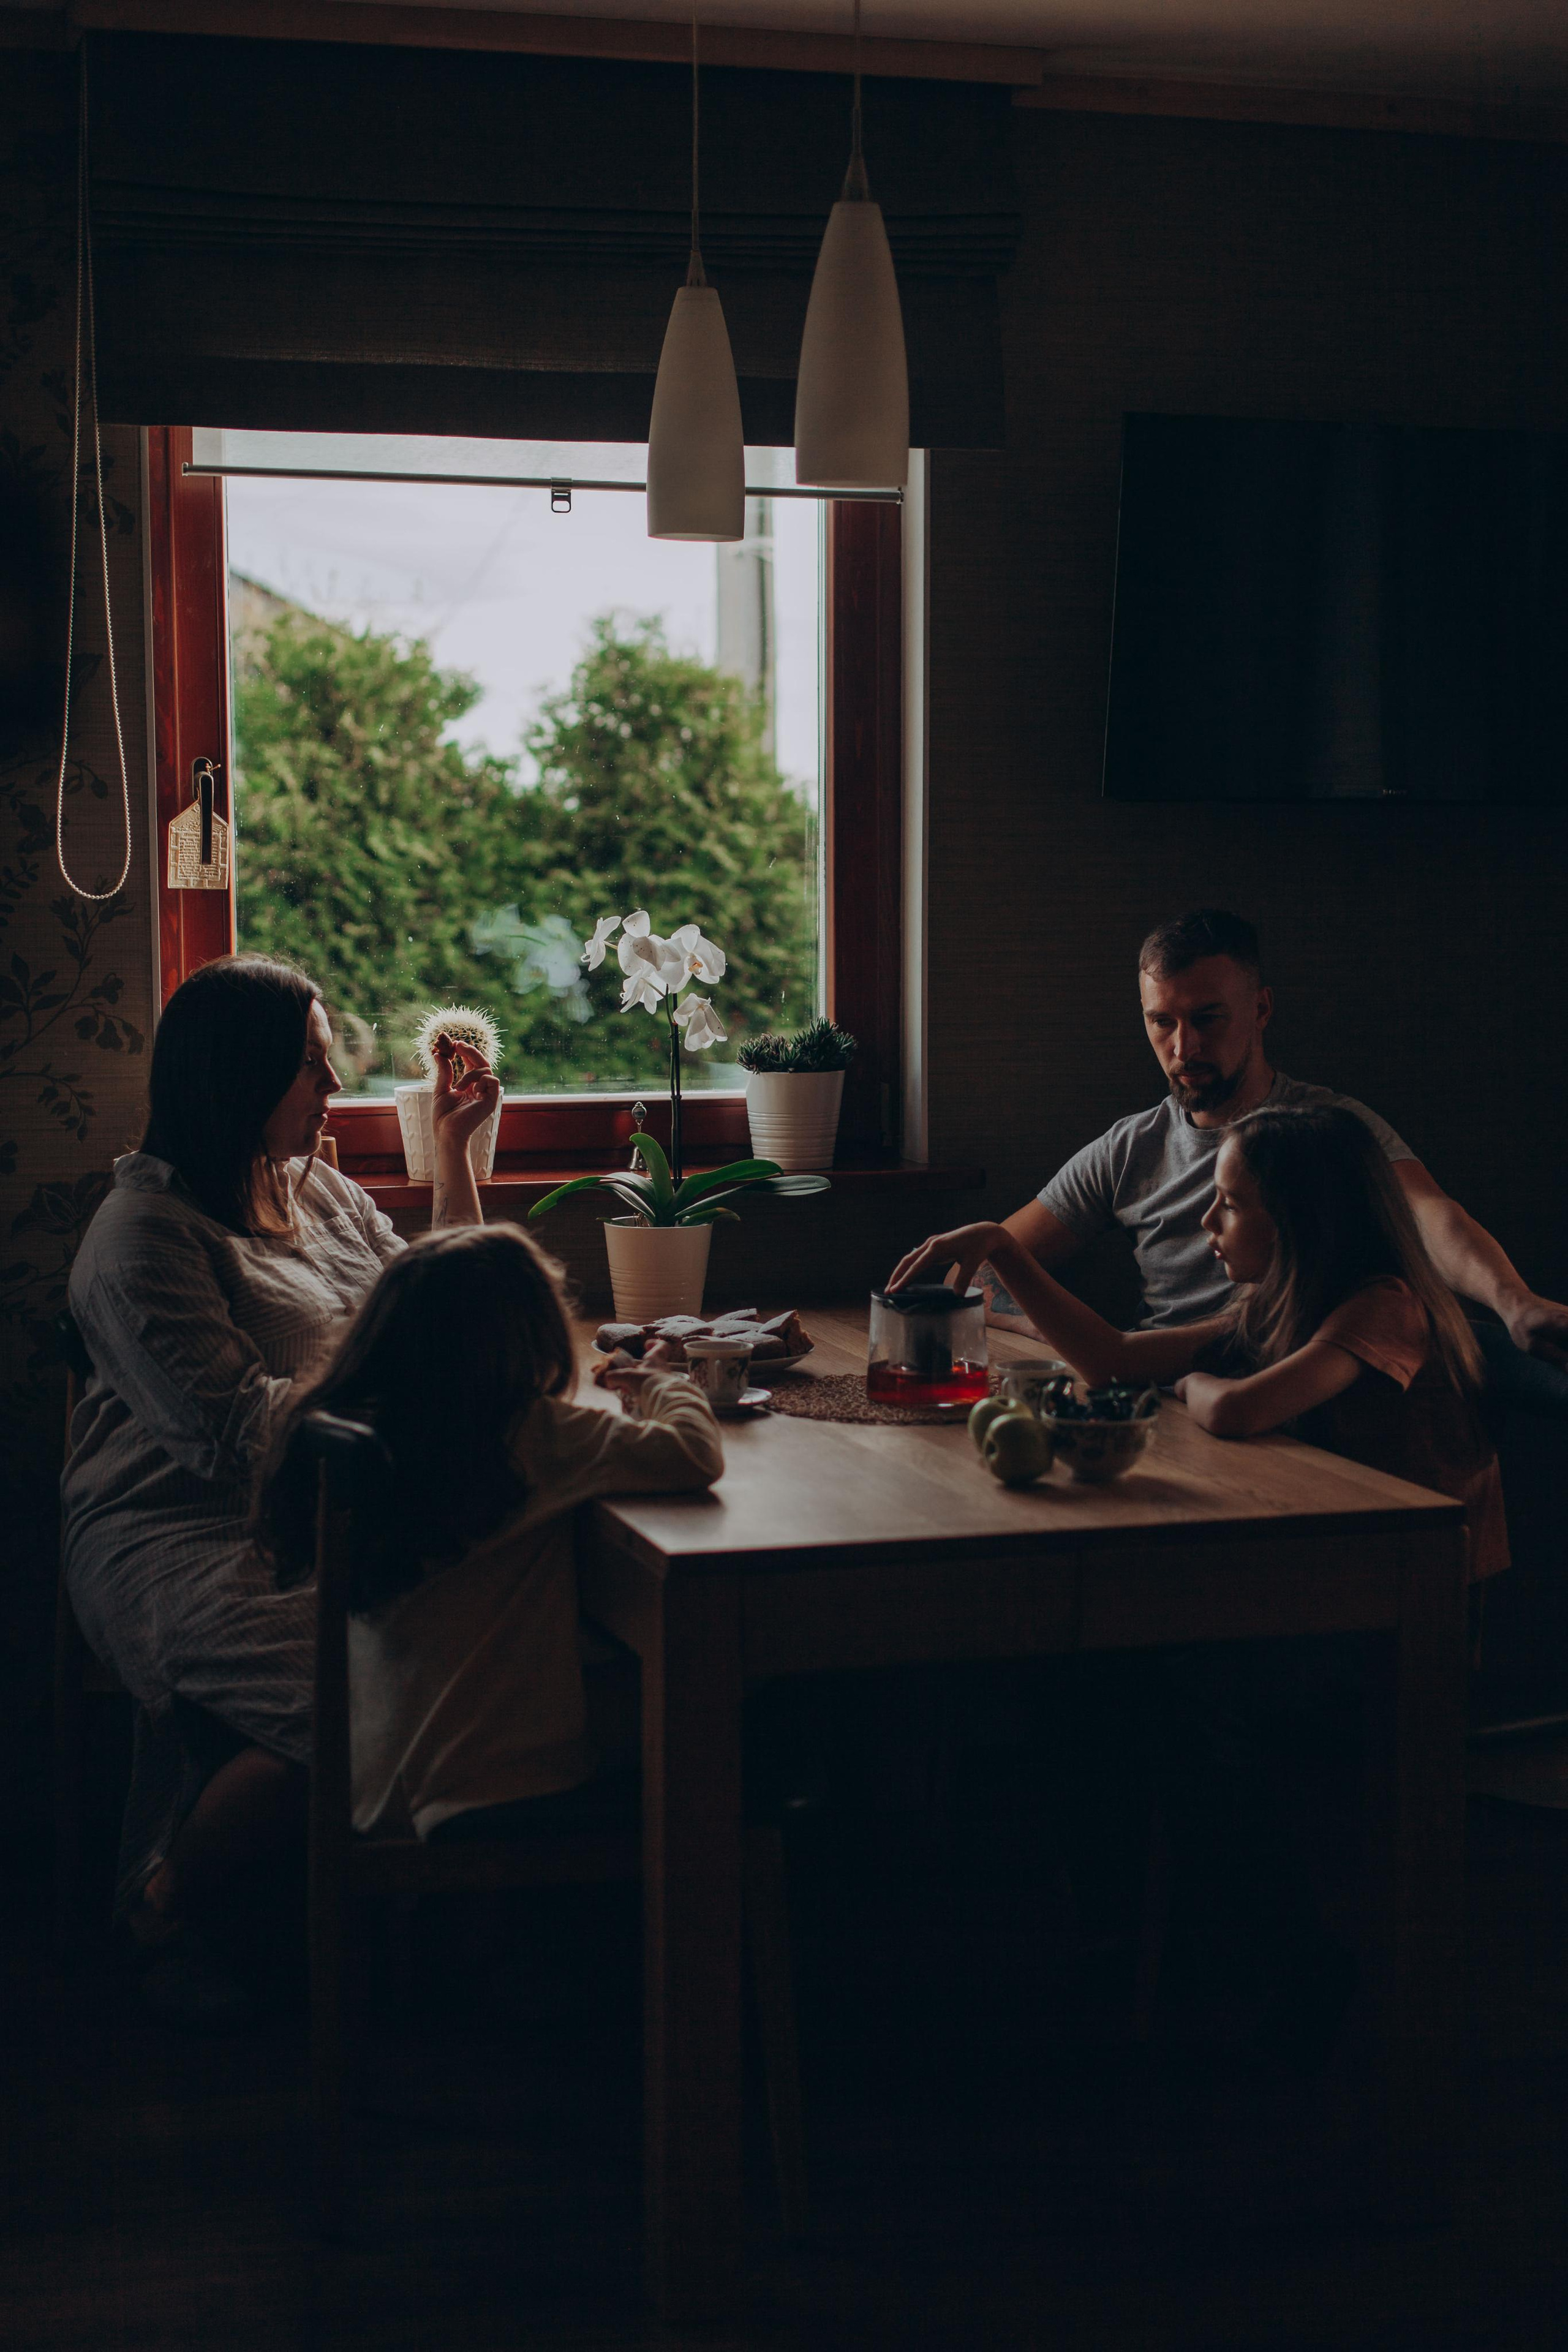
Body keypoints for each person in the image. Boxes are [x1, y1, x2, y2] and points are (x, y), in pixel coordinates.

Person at [62, 954, 499, 2021]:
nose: (335, 1087)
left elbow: (432, 1312)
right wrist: (420, 1410)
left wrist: (453, 1151)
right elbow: (230, 1435)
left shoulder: (317, 1191)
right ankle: (165, 1892)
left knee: (480, 1649)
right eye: (311, 1067)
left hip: (339, 1499)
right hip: (184, 1527)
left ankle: (451, 1939)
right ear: (236, 1077)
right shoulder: (143, 1237)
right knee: (361, 1700)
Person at [890, 1102, 1506, 1577]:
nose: (1208, 1222)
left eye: (1230, 1204)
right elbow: (1115, 1362)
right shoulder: (1276, 1305)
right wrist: (1004, 1247)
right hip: (1338, 1536)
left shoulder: (1383, 1308)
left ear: (1300, 1223)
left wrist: (1190, 1383)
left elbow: (1239, 1410)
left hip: (1420, 1565)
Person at [254, 1224, 722, 1843]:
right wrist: (665, 1380)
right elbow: (692, 1454)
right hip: (497, 1782)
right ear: (528, 1335)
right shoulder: (533, 1432)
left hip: (376, 1778)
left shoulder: (364, 1424)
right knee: (722, 1721)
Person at [935, 908, 1568, 1364]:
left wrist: (1514, 1303)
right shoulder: (1129, 1148)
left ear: (1260, 1010)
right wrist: (1065, 1333)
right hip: (1153, 1390)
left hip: (1288, 1394)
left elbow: (1430, 1218)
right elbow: (983, 1269)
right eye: (1162, 1022)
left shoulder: (1325, 1130)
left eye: (1207, 1018)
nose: (1182, 1047)